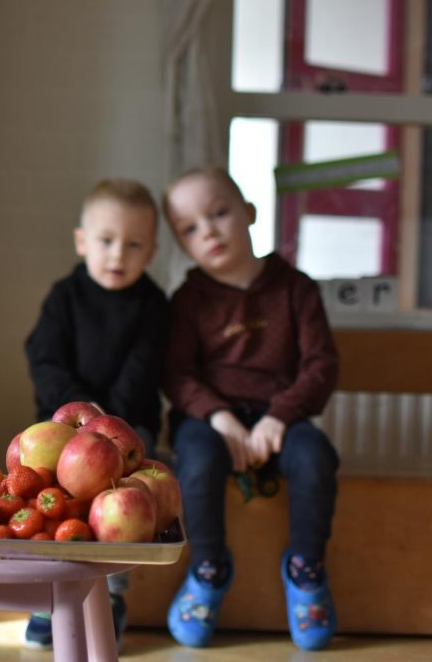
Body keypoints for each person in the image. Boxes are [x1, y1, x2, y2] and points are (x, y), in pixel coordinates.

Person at [161, 166, 339, 651]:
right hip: (209, 420)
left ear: (251, 212)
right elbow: (177, 375)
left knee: (316, 457)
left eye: (219, 213)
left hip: (283, 417)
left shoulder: (296, 289)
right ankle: (209, 569)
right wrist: (219, 416)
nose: (210, 231)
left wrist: (279, 416)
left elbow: (321, 366)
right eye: (191, 228)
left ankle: (306, 572)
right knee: (194, 463)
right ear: (181, 244)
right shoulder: (188, 300)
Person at [23, 178, 170, 650]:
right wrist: (80, 413)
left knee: (123, 508)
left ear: (151, 251)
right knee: (46, 500)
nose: (117, 254)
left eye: (133, 244)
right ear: (82, 241)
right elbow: (43, 358)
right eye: (106, 241)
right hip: (62, 427)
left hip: (128, 427)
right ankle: (46, 597)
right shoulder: (64, 297)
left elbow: (143, 370)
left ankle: (112, 597)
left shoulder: (153, 305)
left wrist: (108, 423)